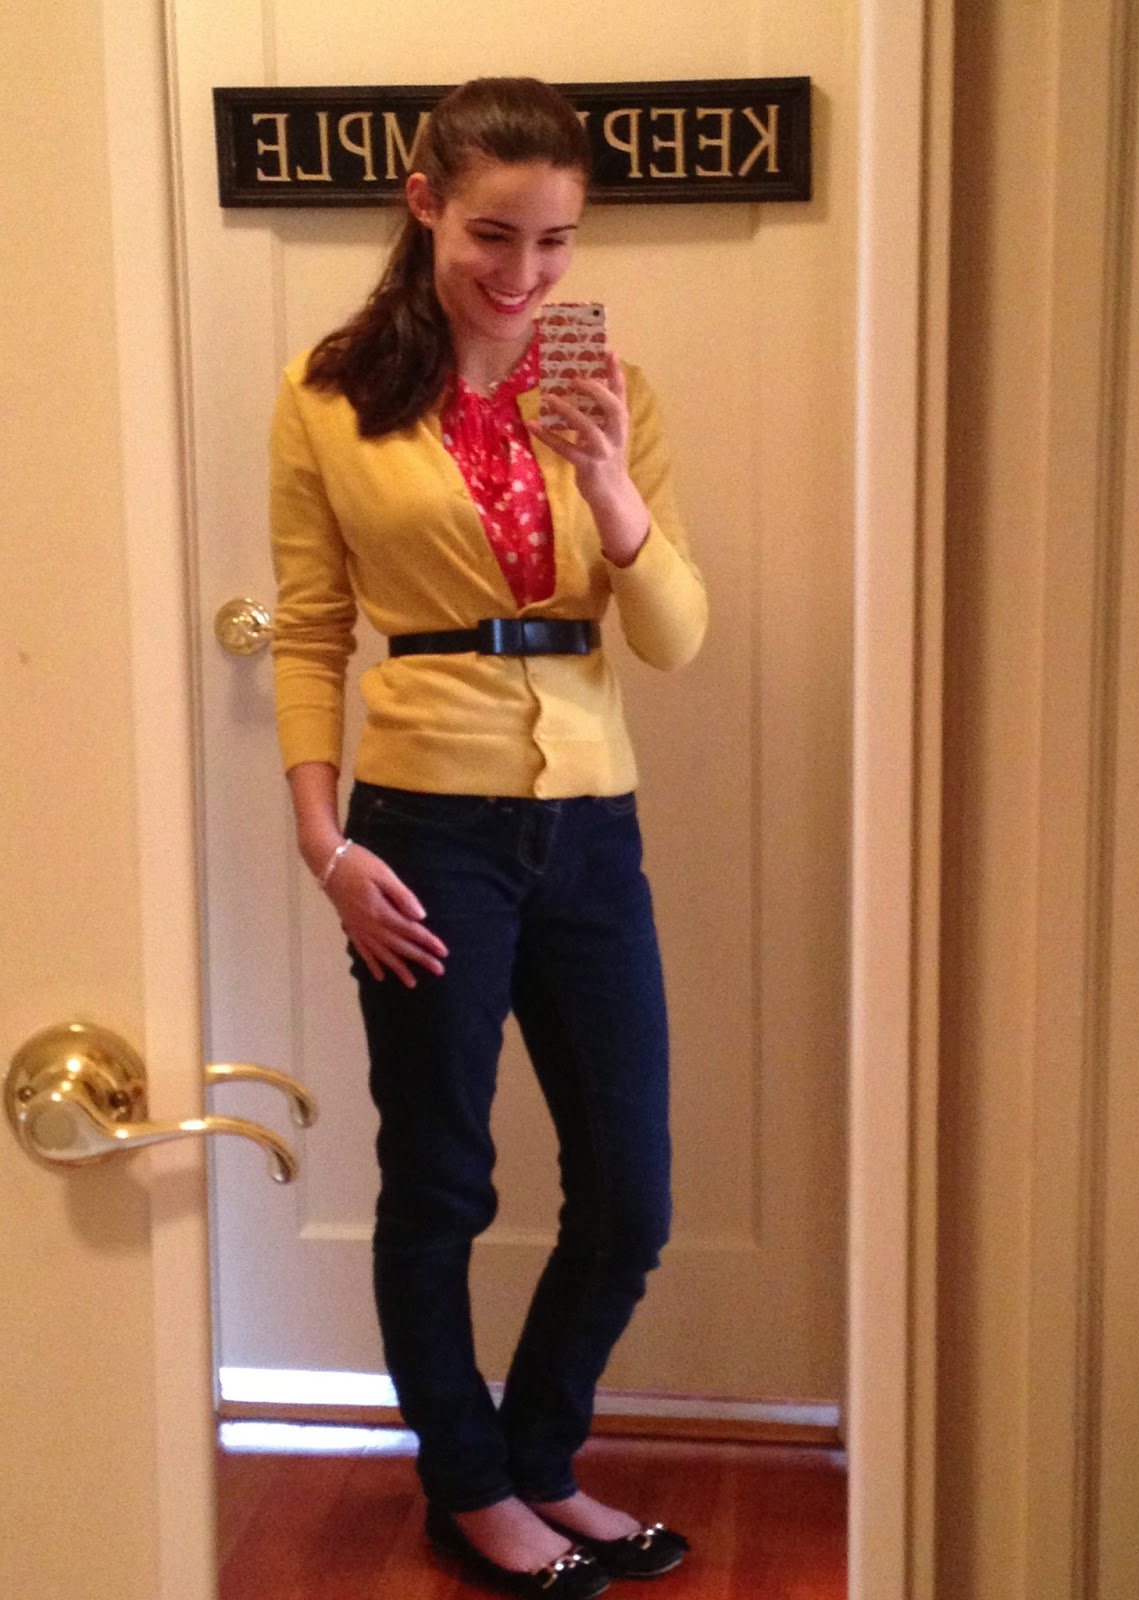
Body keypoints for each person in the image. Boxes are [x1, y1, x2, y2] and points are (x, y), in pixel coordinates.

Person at [269, 76, 707, 1599]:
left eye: (557, 241)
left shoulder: (614, 394)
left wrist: (608, 485)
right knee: (443, 1178)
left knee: (631, 1194)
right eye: (493, 235)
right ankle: (470, 1488)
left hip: (590, 826)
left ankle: (540, 1457)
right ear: (425, 205)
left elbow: (675, 636)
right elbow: (311, 630)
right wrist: (325, 848)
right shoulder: (331, 393)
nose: (524, 274)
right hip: (422, 832)